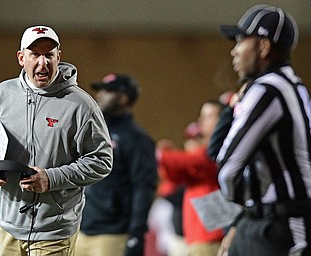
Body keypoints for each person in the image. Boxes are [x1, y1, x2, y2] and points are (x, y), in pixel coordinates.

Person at [0, 25, 113, 256]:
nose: (43, 62)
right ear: (21, 58)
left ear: (59, 57)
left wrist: (52, 178)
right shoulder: (0, 95)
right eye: (35, 54)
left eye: (49, 54)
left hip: (54, 231)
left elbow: (102, 160)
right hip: (8, 225)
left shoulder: (81, 105)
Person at [217, 4, 311, 256]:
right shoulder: (294, 86)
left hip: (276, 224)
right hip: (274, 219)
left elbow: (227, 166)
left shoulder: (268, 89)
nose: (234, 50)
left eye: (241, 41)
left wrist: (241, 204)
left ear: (263, 47)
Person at [75, 73, 158, 256]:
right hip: (81, 229)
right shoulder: (92, 130)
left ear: (122, 98)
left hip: (112, 234)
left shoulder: (136, 138)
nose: (99, 96)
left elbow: (143, 187)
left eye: (107, 91)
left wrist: (137, 233)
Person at [157, 100, 225, 256]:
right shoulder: (205, 150)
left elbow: (194, 161)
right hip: (197, 236)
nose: (201, 121)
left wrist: (161, 155)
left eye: (208, 116)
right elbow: (169, 186)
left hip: (211, 236)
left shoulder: (218, 148)